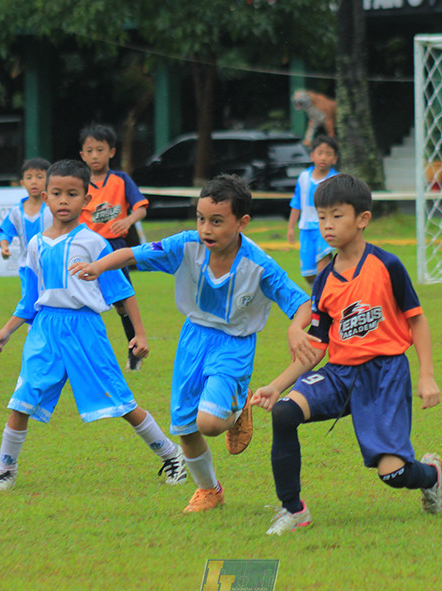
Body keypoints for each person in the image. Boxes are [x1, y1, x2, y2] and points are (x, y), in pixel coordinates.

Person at [69, 174, 315, 514]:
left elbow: (302, 303)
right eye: (201, 219)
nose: (206, 229)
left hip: (234, 343)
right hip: (193, 339)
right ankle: (209, 490)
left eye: (217, 221)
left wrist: (296, 328)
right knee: (186, 427)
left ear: (242, 222)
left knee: (210, 424)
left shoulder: (260, 265)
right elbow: (130, 253)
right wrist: (97, 267)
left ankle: (236, 405)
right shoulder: (185, 245)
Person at [249, 174, 442, 536]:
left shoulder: (387, 266)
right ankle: (294, 510)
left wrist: (427, 374)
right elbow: (318, 345)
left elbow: (417, 321)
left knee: (394, 474)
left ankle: (430, 475)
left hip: (385, 375)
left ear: (362, 219)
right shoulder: (323, 280)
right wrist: (276, 386)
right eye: (321, 216)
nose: (327, 225)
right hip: (340, 374)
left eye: (336, 216)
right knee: (284, 412)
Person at [0, 159, 186, 491]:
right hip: (45, 331)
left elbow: (122, 291)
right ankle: (6, 471)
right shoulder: (36, 246)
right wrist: (6, 331)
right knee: (21, 399)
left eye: (72, 194)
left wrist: (139, 333)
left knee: (120, 401)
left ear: (86, 200)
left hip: (85, 330)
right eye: (57, 193)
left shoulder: (94, 244)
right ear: (46, 197)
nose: (64, 201)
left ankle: (171, 454)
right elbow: (30, 299)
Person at [79, 124, 150, 372]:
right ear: (82, 155)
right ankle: (84, 359)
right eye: (90, 150)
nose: (95, 155)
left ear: (111, 152)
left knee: (123, 304)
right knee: (81, 302)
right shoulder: (79, 183)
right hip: (86, 251)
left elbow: (141, 207)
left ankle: (135, 354)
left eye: (100, 149)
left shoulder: (121, 180)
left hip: (115, 251)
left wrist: (128, 220)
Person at [0, 158, 53, 300]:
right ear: (22, 182)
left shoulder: (54, 208)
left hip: (52, 265)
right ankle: (32, 323)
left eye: (39, 177)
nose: (34, 181)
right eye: (29, 177)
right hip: (27, 267)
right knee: (30, 302)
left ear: (49, 181)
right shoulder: (17, 211)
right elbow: (4, 231)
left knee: (52, 301)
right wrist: (4, 246)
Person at [288, 136, 339, 286]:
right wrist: (291, 227)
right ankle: (320, 292)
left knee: (322, 265)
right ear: (312, 156)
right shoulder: (303, 177)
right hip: (306, 229)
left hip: (326, 228)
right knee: (308, 273)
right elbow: (297, 203)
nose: (323, 157)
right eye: (320, 153)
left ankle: (321, 301)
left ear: (334, 159)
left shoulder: (335, 179)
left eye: (328, 154)